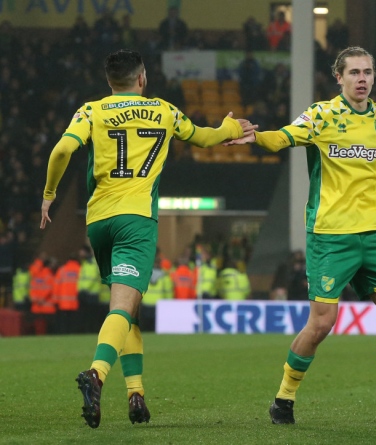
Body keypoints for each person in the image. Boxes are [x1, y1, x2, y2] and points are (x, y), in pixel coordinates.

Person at [39, 49, 256, 429]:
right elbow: (205, 138)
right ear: (142, 79)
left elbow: (62, 150)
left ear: (111, 82)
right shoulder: (165, 110)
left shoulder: (92, 111)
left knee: (130, 309)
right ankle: (97, 374)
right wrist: (232, 128)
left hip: (98, 221)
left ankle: (135, 394)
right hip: (136, 221)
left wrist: (49, 193)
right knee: (122, 308)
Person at [226, 46, 376, 425]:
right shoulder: (322, 116)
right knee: (322, 323)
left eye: (367, 72)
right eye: (354, 72)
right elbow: (287, 137)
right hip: (329, 237)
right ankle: (283, 399)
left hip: (369, 238)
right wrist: (256, 138)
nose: (362, 79)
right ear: (338, 77)